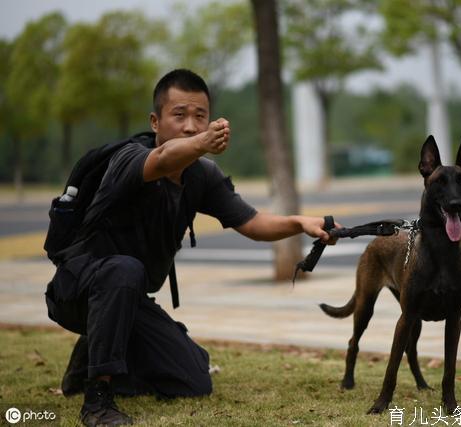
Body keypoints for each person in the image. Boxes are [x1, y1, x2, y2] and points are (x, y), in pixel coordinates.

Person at [45, 69, 337, 427]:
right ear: (156, 121)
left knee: (193, 380)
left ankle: (89, 361)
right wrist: (203, 143)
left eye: (200, 116)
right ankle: (97, 401)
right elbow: (164, 160)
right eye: (179, 115)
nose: (190, 125)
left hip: (128, 300)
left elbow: (252, 223)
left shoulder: (202, 176)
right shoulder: (130, 158)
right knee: (124, 269)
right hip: (77, 292)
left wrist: (299, 223)